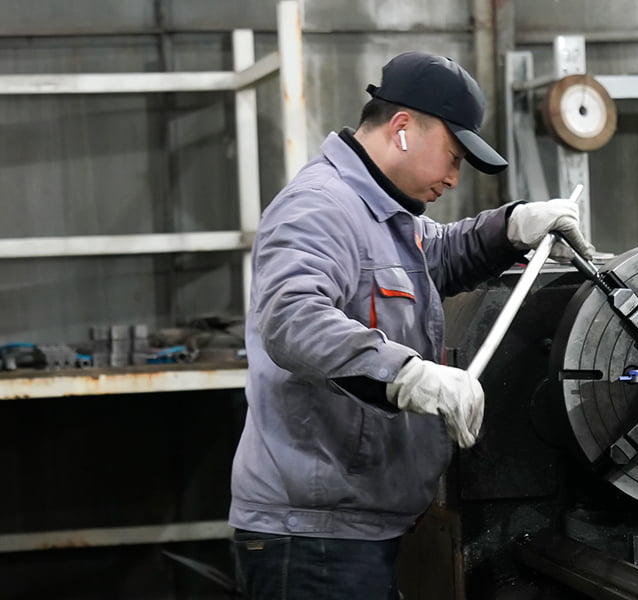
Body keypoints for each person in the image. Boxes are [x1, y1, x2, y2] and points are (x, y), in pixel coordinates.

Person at [229, 51, 593, 599]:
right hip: (313, 539)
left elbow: (437, 256)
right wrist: (407, 375)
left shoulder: (385, 214)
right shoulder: (320, 206)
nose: (453, 177)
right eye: (452, 156)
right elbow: (292, 319)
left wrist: (512, 227)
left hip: (355, 528)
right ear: (402, 127)